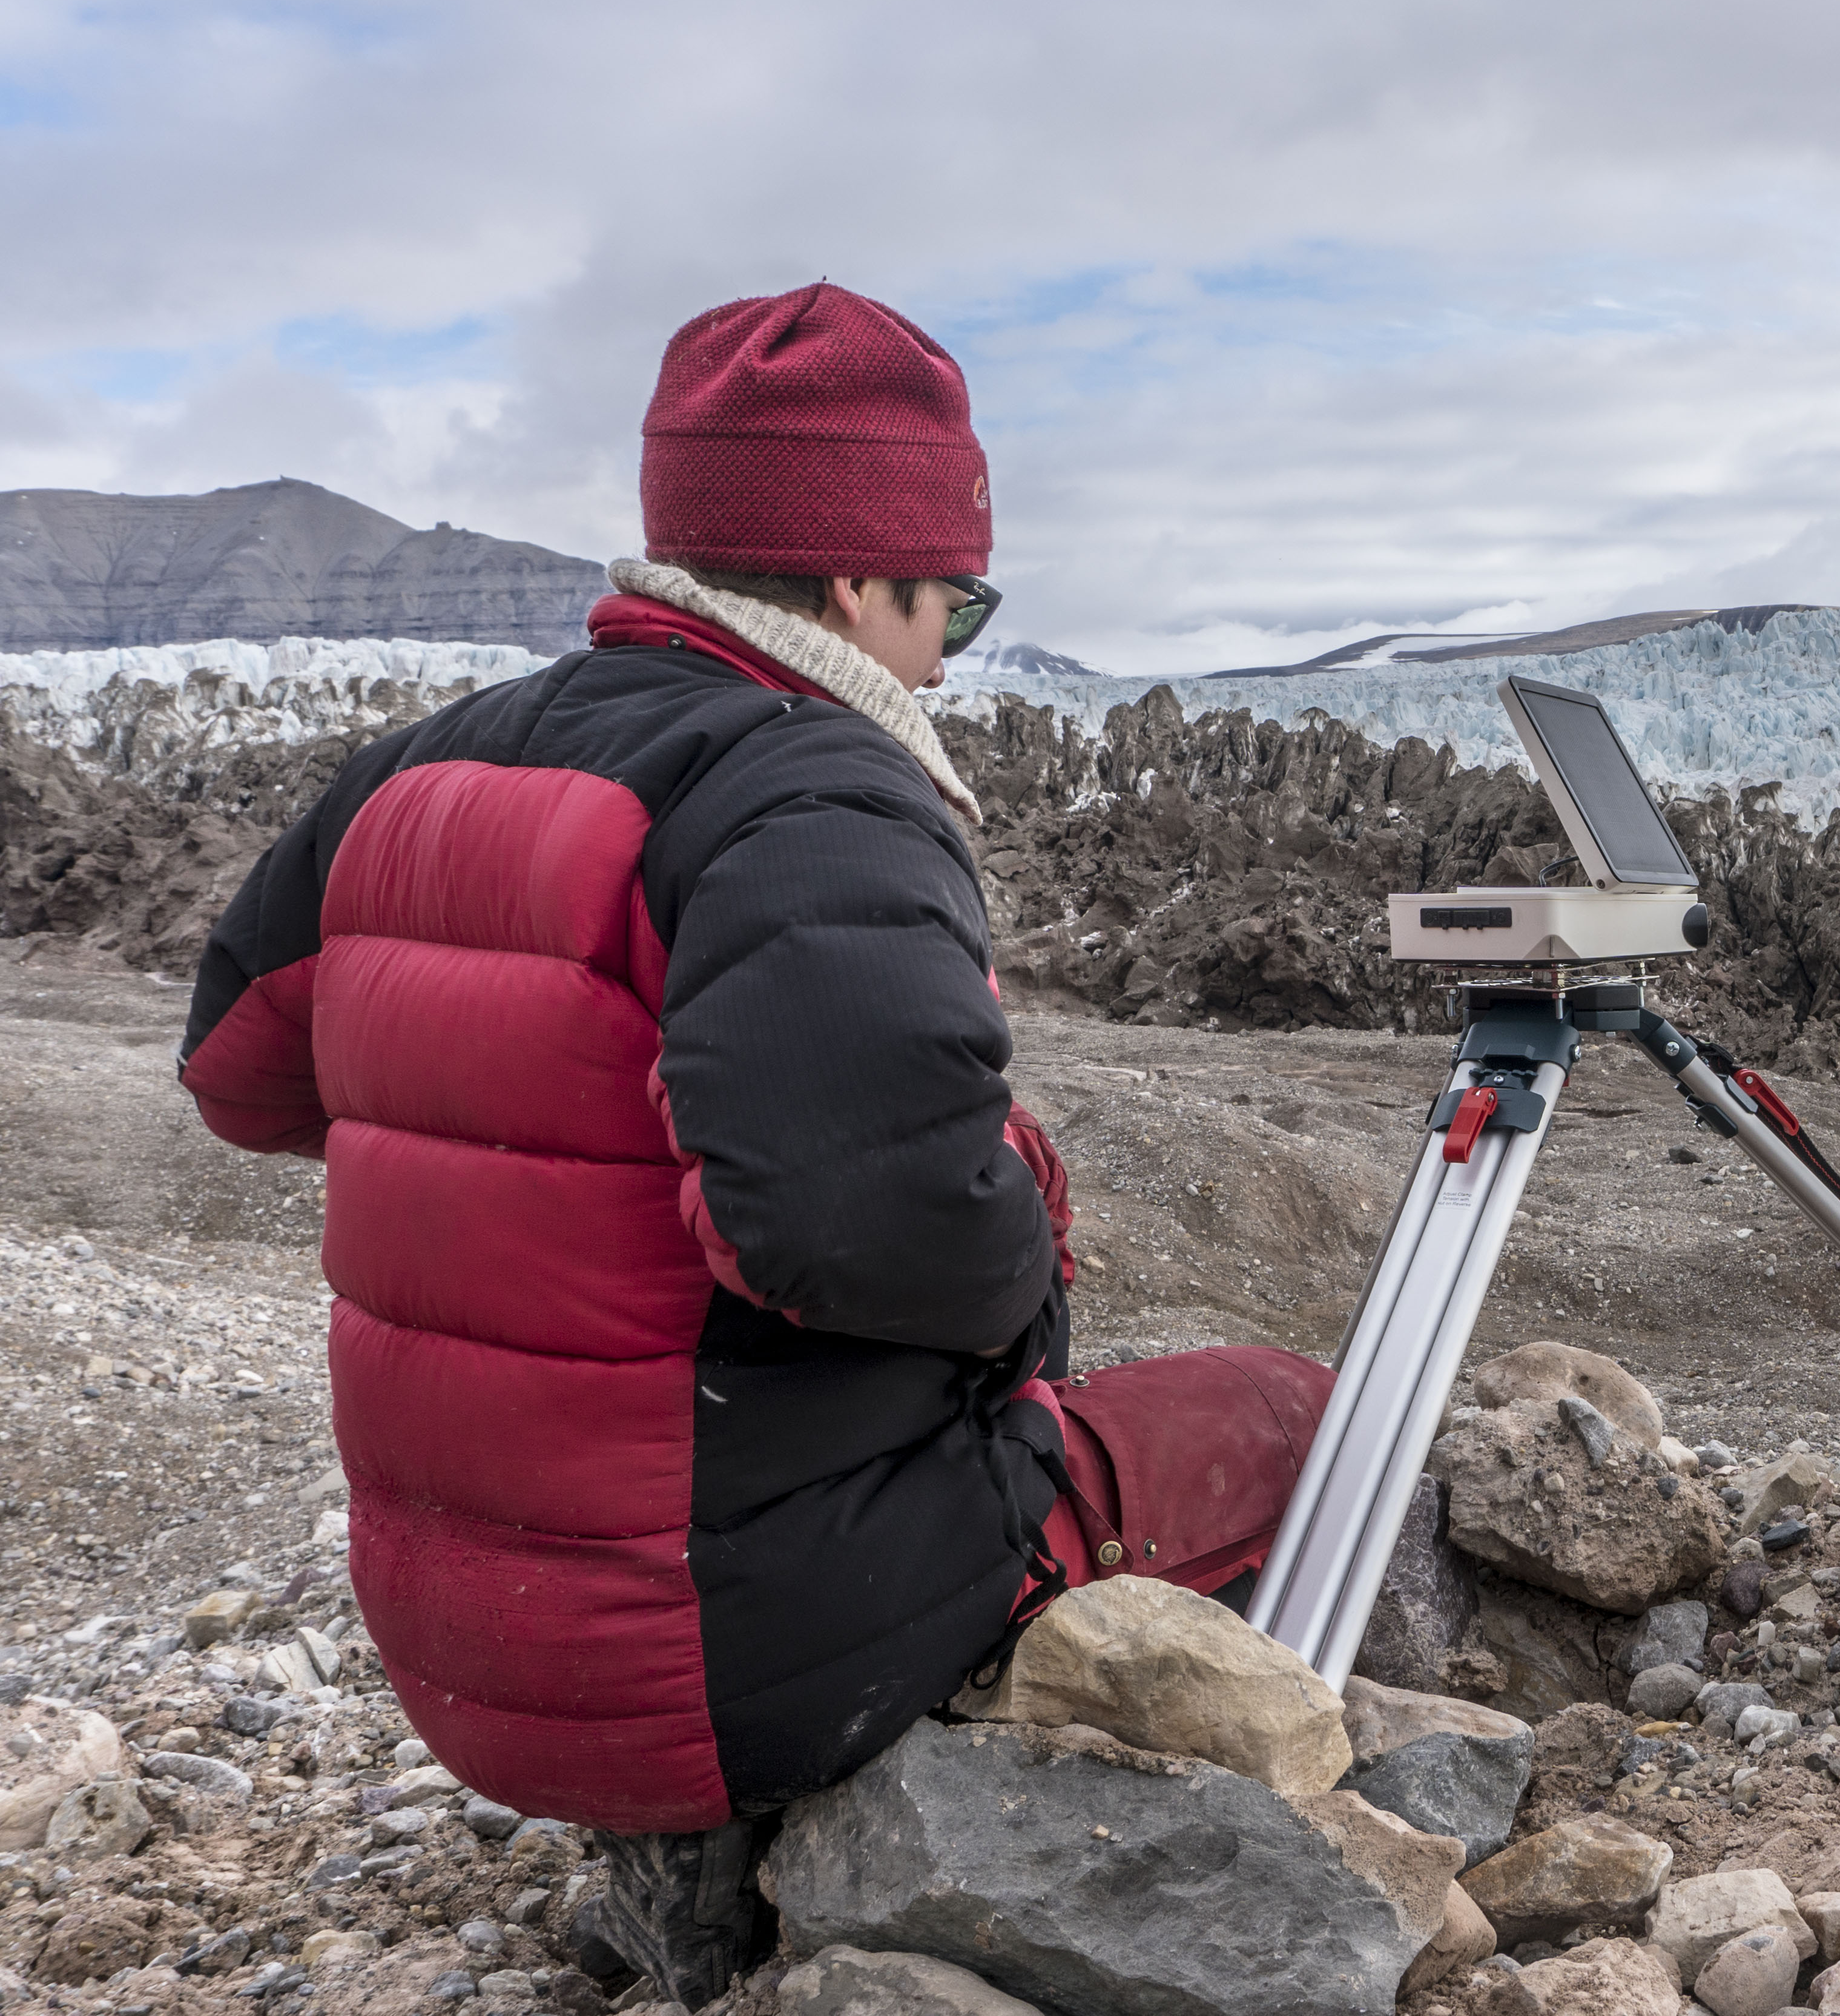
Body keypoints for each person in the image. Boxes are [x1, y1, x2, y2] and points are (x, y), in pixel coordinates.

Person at [177, 284, 1330, 2001]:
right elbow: (868, 1227)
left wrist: (511, 1118)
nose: (950, 652)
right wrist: (1023, 1219)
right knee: (1289, 1411)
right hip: (729, 1658)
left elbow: (241, 1076)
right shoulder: (812, 790)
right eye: (958, 602)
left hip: (461, 1645)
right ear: (860, 581)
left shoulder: (427, 766)